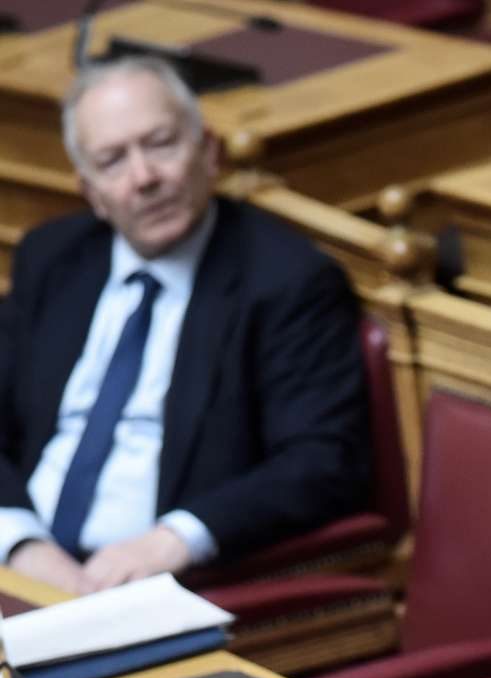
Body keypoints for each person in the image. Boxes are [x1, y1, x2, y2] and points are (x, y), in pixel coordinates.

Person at [0, 56, 369, 595]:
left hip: (155, 585)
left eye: (161, 144)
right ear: (91, 191)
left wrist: (177, 538)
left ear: (208, 150)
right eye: (112, 161)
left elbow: (323, 460)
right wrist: (20, 541)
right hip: (21, 566)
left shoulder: (285, 281)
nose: (144, 177)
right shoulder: (53, 258)